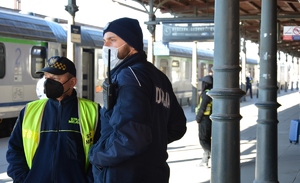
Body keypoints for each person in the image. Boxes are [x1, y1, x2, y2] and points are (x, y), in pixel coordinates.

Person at [89, 17, 187, 183]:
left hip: (124, 173)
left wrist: (98, 156)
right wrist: (153, 146)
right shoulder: (159, 77)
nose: (106, 46)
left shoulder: (128, 76)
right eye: (104, 41)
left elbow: (133, 136)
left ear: (132, 45)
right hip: (155, 172)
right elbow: (177, 127)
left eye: (112, 40)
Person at [6, 56, 101, 183]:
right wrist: (24, 179)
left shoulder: (93, 111)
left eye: (55, 78)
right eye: (46, 78)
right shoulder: (30, 110)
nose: (48, 82)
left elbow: (101, 154)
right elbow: (15, 150)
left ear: (72, 82)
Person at [195, 75, 213, 167]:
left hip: (204, 119)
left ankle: (213, 155)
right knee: (207, 139)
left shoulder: (206, 94)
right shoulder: (211, 92)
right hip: (209, 119)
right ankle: (205, 160)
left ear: (205, 84)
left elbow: (202, 108)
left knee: (203, 140)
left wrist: (198, 118)